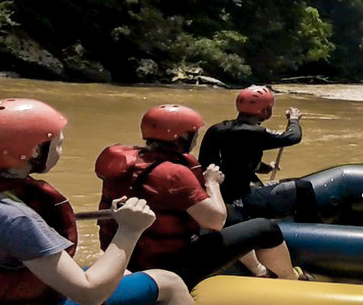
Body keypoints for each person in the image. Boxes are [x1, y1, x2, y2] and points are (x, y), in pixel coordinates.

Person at [0, 98, 193, 305]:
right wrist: (130, 229)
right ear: (33, 152)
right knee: (167, 281)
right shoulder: (13, 217)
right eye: (56, 143)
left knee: (125, 273)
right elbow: (89, 295)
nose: (60, 147)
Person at [95, 104, 307, 288]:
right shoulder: (173, 173)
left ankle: (259, 270)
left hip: (125, 257)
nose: (196, 138)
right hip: (166, 264)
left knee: (233, 215)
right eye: (193, 133)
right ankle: (289, 279)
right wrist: (212, 183)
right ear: (182, 137)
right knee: (264, 228)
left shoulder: (128, 162)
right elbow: (216, 221)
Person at [197, 85, 319, 222]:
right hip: (241, 198)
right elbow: (293, 137)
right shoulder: (254, 132)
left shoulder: (216, 129)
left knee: (262, 184)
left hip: (219, 194)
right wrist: (294, 120)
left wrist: (266, 168)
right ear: (266, 110)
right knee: (303, 187)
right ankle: (313, 228)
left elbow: (234, 161)